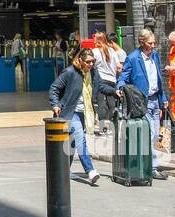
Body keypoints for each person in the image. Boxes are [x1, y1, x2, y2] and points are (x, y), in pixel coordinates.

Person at [115, 27, 169, 180]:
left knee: (154, 135)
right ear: (142, 42)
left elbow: (158, 78)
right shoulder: (133, 58)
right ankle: (151, 167)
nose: (153, 46)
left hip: (155, 100)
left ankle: (148, 165)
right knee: (149, 133)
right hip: (141, 102)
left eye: (154, 43)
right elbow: (123, 77)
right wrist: (119, 88)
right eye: (150, 43)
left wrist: (163, 97)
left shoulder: (155, 56)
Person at [50, 48, 101, 185]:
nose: (91, 64)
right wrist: (55, 104)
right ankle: (90, 170)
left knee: (72, 142)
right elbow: (55, 88)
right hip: (70, 112)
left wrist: (116, 91)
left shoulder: (93, 73)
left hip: (83, 113)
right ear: (80, 61)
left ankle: (64, 170)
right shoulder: (70, 72)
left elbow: (101, 86)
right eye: (88, 62)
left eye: (93, 61)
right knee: (80, 138)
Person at [91, 31, 125, 135]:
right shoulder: (112, 51)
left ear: (97, 40)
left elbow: (92, 65)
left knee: (101, 104)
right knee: (111, 104)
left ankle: (103, 128)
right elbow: (118, 66)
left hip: (101, 80)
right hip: (112, 80)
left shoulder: (95, 52)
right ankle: (111, 126)